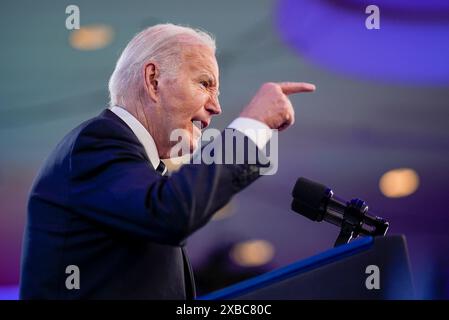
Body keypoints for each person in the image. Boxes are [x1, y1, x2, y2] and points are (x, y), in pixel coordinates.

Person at [19, 23, 315, 299]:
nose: (216, 106)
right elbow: (170, 212)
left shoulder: (136, 166)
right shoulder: (95, 142)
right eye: (205, 84)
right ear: (153, 80)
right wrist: (252, 127)